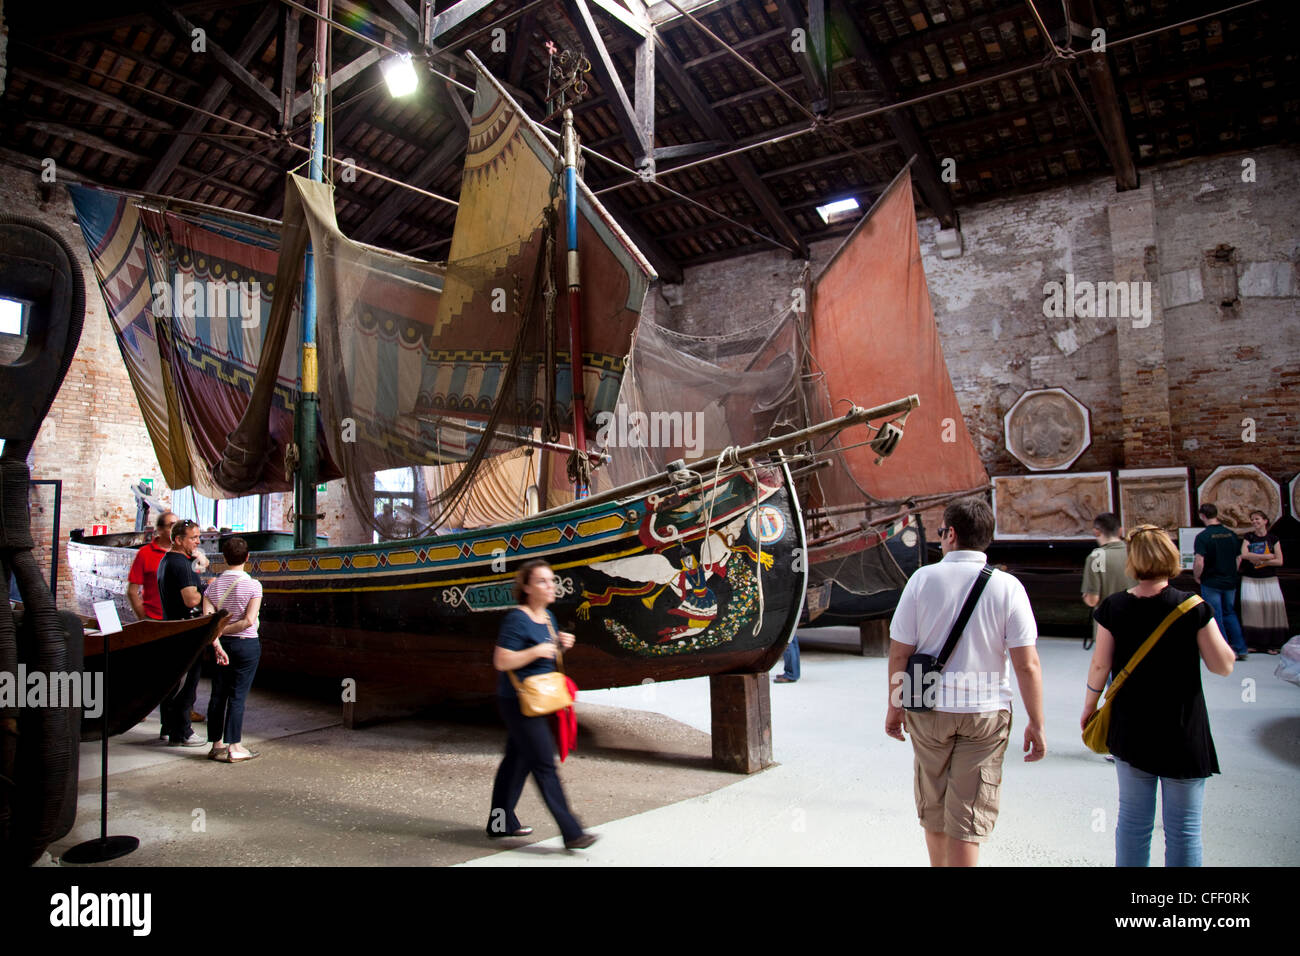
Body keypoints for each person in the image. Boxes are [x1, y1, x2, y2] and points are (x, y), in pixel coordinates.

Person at [885, 496, 1046, 867]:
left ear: (952, 533)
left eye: (942, 532)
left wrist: (895, 706)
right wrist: (1036, 723)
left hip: (928, 708)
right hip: (985, 712)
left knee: (935, 804)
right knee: (968, 816)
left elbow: (899, 654)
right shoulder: (1009, 587)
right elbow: (1027, 665)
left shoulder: (921, 580)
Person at [1081, 525, 1235, 867]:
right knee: (1184, 829)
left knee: (1134, 823)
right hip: (1183, 728)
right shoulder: (1192, 606)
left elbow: (1099, 666)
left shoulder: (1114, 606)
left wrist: (1090, 706)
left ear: (1133, 562)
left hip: (1132, 727)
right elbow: (1222, 666)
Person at [488, 559, 597, 850]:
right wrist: (539, 649)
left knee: (516, 760)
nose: (551, 586)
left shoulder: (547, 616)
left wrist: (560, 645)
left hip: (540, 698)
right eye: (542, 581)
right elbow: (501, 660)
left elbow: (544, 659)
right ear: (526, 587)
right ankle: (572, 831)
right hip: (518, 700)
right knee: (543, 763)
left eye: (551, 580)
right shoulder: (517, 618)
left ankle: (499, 822)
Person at [157, 519, 221, 747]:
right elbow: (191, 599)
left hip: (172, 629)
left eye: (198, 537)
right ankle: (182, 731)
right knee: (187, 684)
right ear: (178, 540)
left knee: (173, 682)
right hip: (185, 632)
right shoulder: (181, 565)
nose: (197, 542)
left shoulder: (168, 560)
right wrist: (208, 587)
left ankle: (168, 727)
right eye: (193, 538)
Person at [201, 537, 261, 762]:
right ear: (247, 557)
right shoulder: (253, 585)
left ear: (224, 558)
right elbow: (248, 620)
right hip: (246, 645)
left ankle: (216, 745)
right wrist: (224, 633)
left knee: (218, 694)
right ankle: (234, 747)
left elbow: (207, 623)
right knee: (237, 696)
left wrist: (217, 639)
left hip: (220, 647)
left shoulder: (213, 587)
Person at [1193, 503, 1247, 660]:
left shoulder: (1203, 537)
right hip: (1230, 581)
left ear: (1202, 516)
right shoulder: (1231, 534)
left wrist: (1197, 576)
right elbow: (1238, 557)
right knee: (1230, 612)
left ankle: (1224, 650)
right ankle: (1241, 648)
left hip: (1211, 581)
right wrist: (1232, 572)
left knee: (1215, 615)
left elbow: (1199, 561)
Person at [1081, 512, 1135, 649]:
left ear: (1096, 532)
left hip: (1108, 625)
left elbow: (1093, 599)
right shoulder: (1134, 553)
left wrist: (1086, 596)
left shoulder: (1097, 557)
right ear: (1121, 531)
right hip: (1137, 620)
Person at [1239, 510, 1287, 654]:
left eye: (1257, 519)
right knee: (1252, 611)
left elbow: (1279, 561)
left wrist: (1261, 560)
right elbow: (1244, 554)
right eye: (1252, 519)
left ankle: (1273, 644)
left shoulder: (1273, 538)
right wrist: (1268, 556)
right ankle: (1253, 643)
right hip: (1251, 579)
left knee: (1270, 610)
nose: (1254, 522)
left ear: (1265, 521)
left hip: (1269, 579)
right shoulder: (1249, 537)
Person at [127, 510, 177, 622]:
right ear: (160, 529)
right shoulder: (145, 553)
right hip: (155, 618)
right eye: (172, 526)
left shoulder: (184, 552)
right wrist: (144, 618)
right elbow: (132, 591)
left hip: (181, 618)